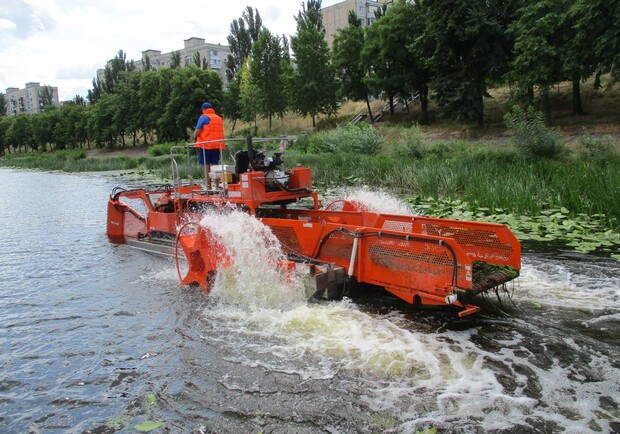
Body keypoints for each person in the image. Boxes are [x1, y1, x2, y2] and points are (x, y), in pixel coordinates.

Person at [194, 102, 225, 189]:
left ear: (203, 110)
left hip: (206, 146)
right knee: (216, 166)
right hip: (216, 146)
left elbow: (197, 133)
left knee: (206, 166)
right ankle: (218, 187)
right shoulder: (218, 118)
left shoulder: (203, 117)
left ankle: (209, 188)